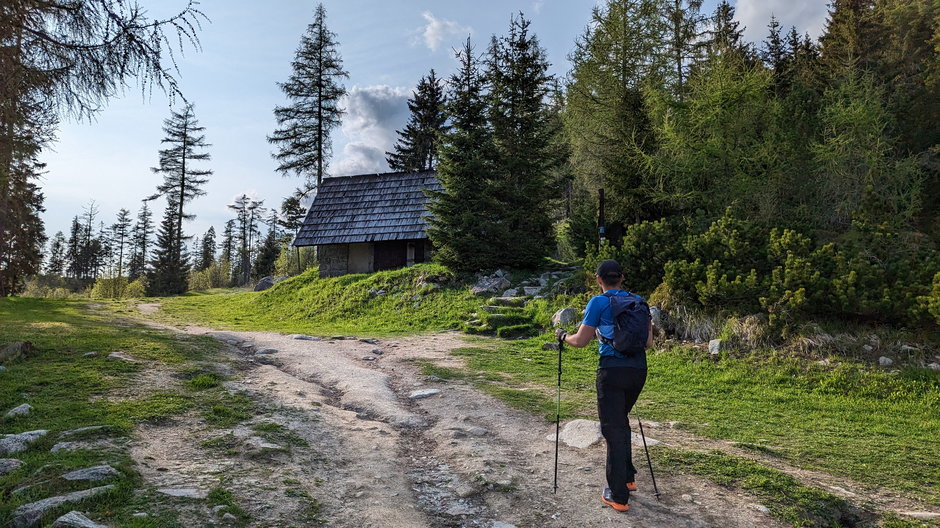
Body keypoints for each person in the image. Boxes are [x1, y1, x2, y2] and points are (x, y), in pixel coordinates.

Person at [555, 259, 653, 513]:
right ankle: (628, 478)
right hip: (638, 371)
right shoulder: (639, 301)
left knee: (614, 430)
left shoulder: (598, 302)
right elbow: (649, 343)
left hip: (611, 371)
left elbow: (580, 341)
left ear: (599, 280)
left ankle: (618, 495)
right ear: (622, 278)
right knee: (621, 423)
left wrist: (563, 336)